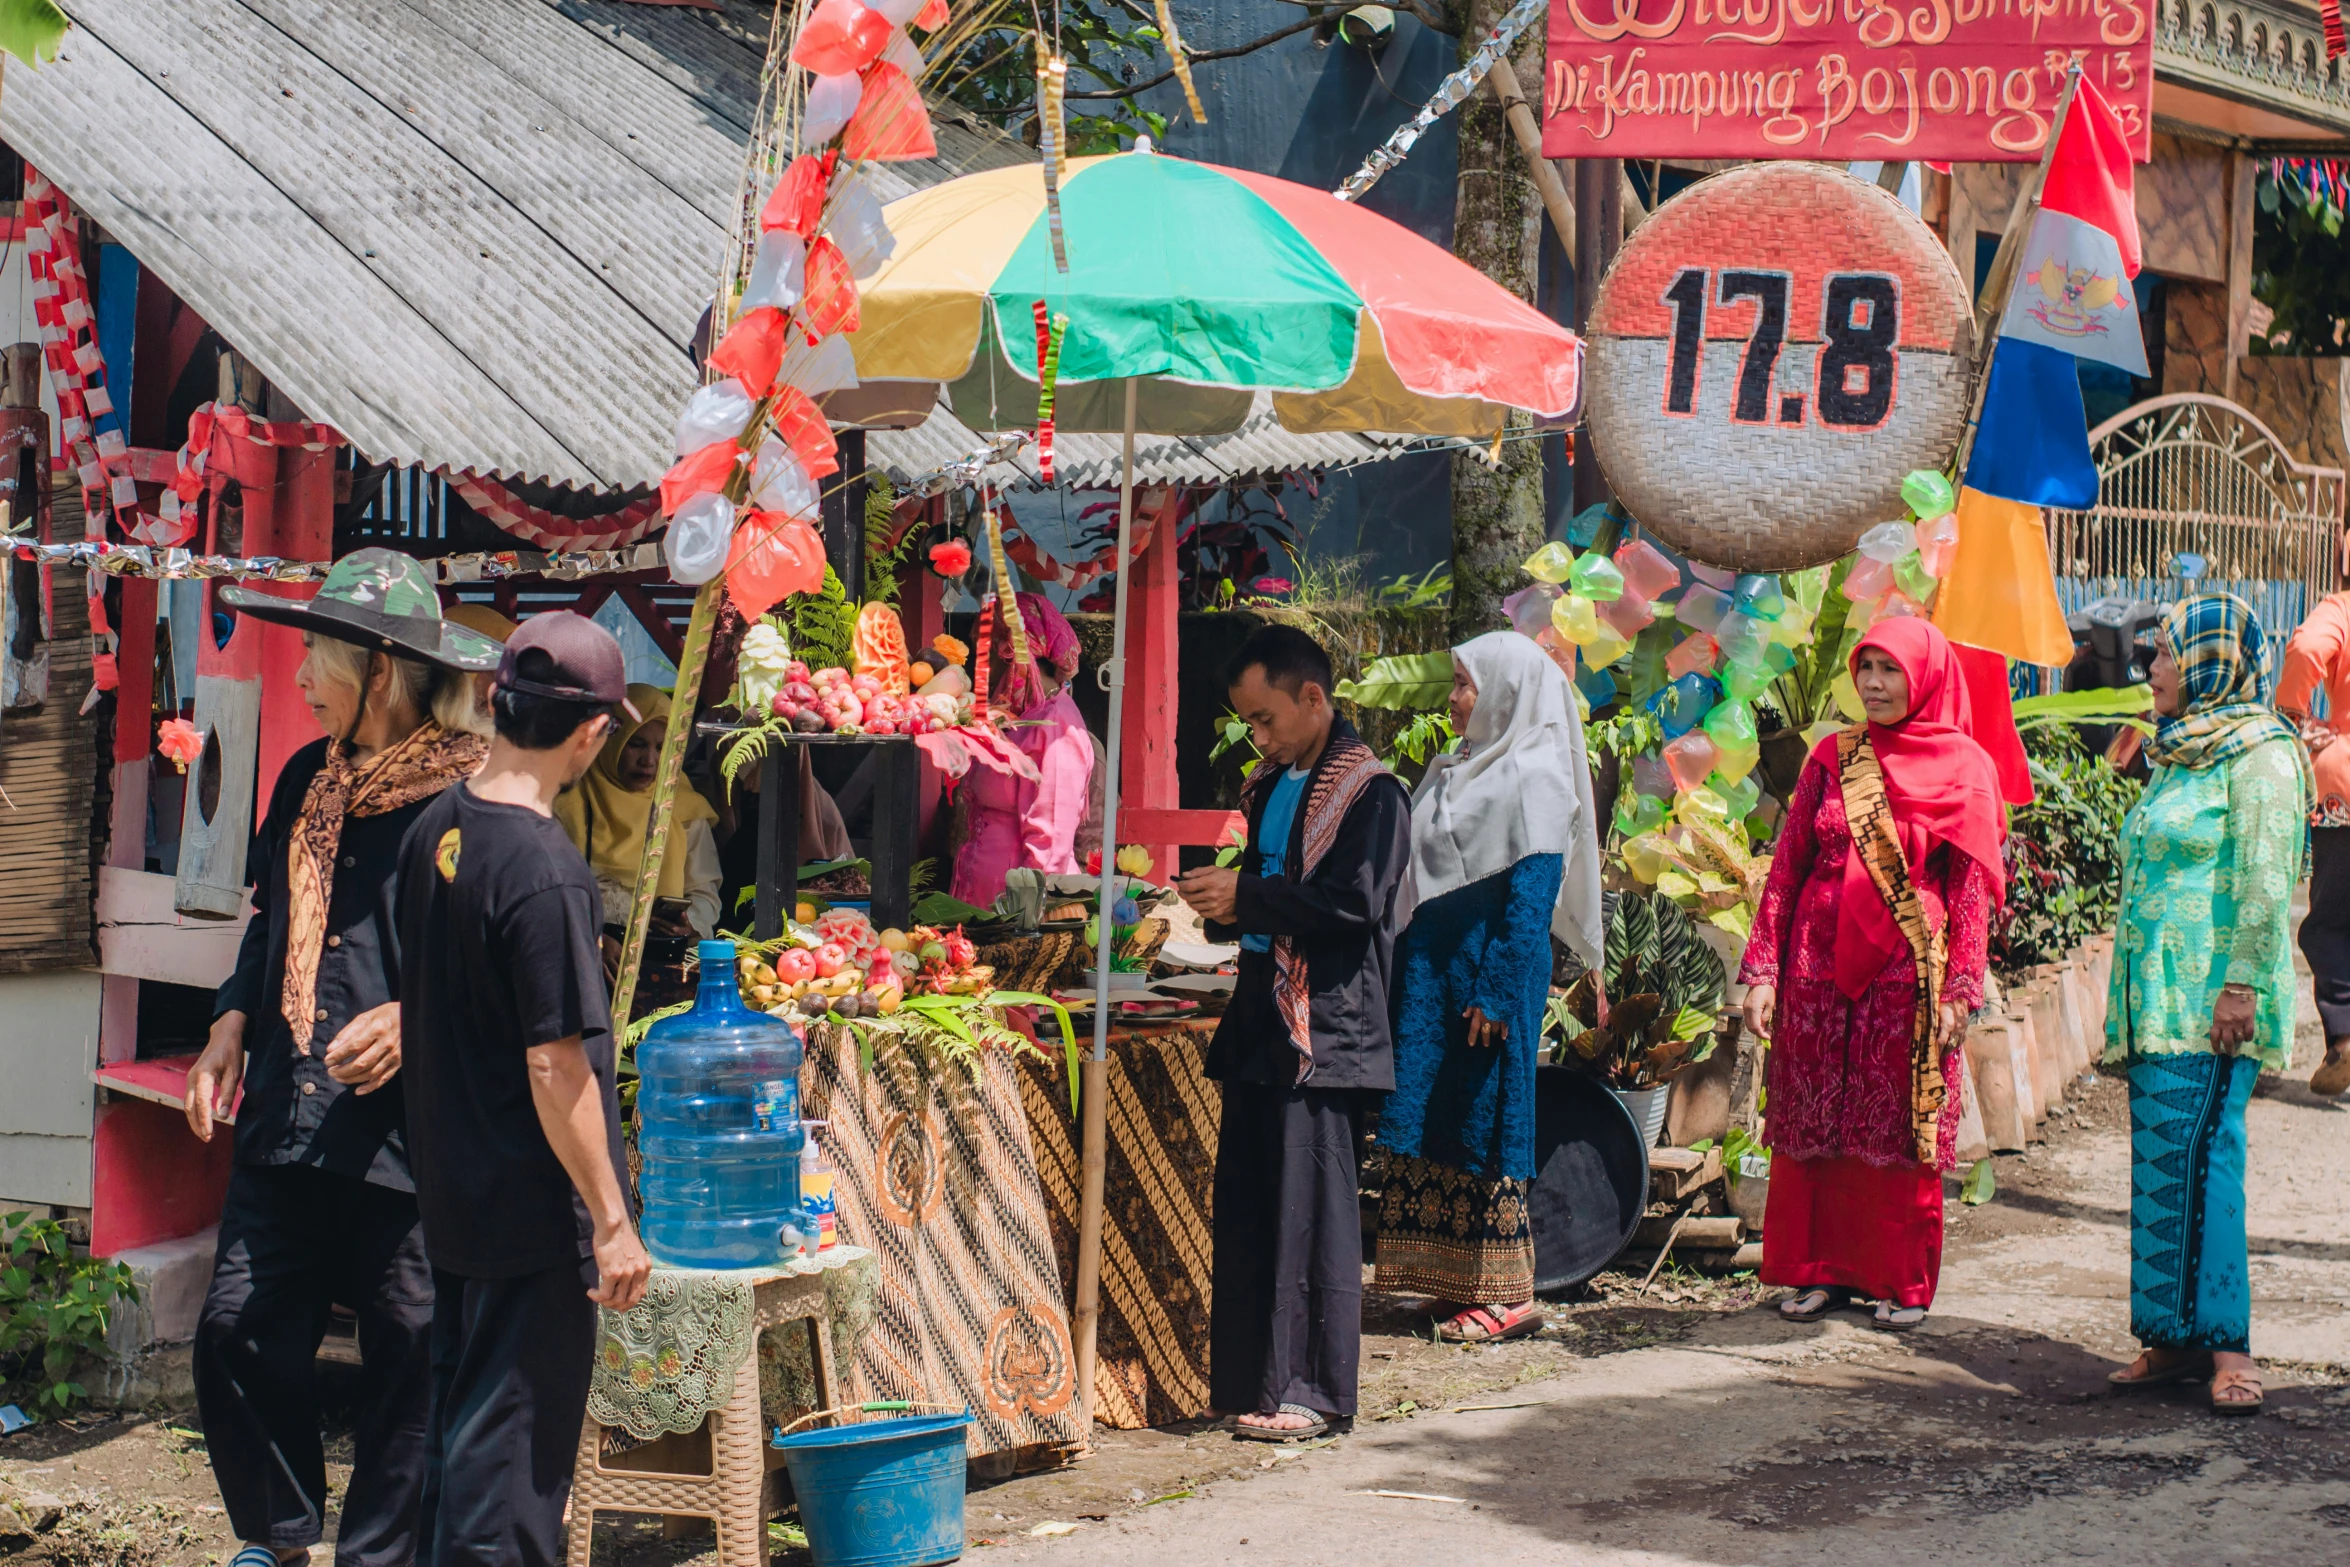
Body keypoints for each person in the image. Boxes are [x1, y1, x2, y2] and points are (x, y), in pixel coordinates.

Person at [186, 550, 502, 1567]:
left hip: (408, 1139)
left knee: (408, 1352)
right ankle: (277, 1541)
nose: (298, 678)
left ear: (379, 671)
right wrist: (232, 1016)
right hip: (289, 1107)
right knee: (235, 1323)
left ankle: (381, 1555)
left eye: (314, 656)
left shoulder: (470, 804)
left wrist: (419, 1018)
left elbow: (507, 965)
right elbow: (272, 917)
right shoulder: (303, 781)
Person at [395, 611, 651, 1566]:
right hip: (525, 1212)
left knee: (461, 1460)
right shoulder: (547, 873)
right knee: (507, 1485)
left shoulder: (436, 830)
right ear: (590, 731)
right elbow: (556, 1062)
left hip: (452, 1197)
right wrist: (610, 1216)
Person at [1172, 625, 1411, 1442]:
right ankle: (1249, 1380)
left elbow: (1354, 905)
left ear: (1313, 697)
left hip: (1327, 1028)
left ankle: (1313, 1388)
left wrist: (1246, 899)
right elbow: (1264, 886)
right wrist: (1212, 903)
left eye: (1267, 718)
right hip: (1259, 1018)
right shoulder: (1269, 784)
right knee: (1249, 1206)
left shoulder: (1374, 792)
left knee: (1313, 1216)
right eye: (1250, 724)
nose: (1260, 736)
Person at [1739, 618, 2004, 1332]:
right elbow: (1788, 864)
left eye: (1891, 670)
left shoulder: (1964, 768)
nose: (1875, 684)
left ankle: (1899, 1278)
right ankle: (1816, 1270)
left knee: (1897, 1125)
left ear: (1923, 677)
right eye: (1866, 669)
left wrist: (1960, 990)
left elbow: (1970, 890)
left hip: (1905, 976)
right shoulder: (1834, 755)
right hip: (1814, 969)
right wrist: (1763, 970)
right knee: (1813, 1116)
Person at [2105, 593, 2308, 1416]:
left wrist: (2242, 986)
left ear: (2207, 663)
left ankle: (2229, 1344)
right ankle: (2171, 1337)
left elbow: (2266, 879)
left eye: (2164, 656)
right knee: (2161, 1167)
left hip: (2214, 1002)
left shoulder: (2262, 755)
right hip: (2157, 999)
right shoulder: (2182, 753)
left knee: (2210, 1160)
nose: (2149, 668)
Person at [1373, 631, 1603, 1343]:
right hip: (1435, 976)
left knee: (1491, 1119)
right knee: (1435, 1113)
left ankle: (1506, 1294)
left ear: (1506, 691)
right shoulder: (1459, 767)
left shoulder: (1536, 774)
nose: (1452, 699)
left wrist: (1500, 989)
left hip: (1487, 979)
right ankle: (1449, 1283)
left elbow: (1533, 896)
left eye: (1464, 685)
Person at [554, 683, 723, 1009]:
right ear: (610, 739)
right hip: (587, 969)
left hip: (663, 973)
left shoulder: (682, 808)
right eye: (636, 744)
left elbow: (704, 891)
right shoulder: (567, 803)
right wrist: (593, 937)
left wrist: (688, 924)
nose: (649, 760)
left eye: (661, 748)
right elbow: (552, 892)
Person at [950, 591, 1095, 907]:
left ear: (1011, 653)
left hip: (1018, 913)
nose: (980, 665)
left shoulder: (1056, 727)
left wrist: (1026, 925)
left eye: (984, 652)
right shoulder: (1018, 718)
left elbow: (1051, 848)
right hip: (984, 900)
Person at [2274, 581, 2350, 1096]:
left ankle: (2344, 1039)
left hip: (2344, 788)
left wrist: (2293, 719)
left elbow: (2304, 650)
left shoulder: (2342, 610)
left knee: (2328, 923)